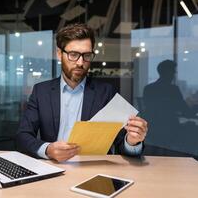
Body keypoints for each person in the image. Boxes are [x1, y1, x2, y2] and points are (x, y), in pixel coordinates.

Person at [16, 23, 148, 162]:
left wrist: (132, 141)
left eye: (86, 55)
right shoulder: (41, 91)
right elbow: (22, 136)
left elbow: (121, 143)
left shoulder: (105, 92)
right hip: (53, 167)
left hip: (93, 168)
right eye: (73, 54)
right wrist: (48, 150)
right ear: (59, 54)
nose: (80, 62)